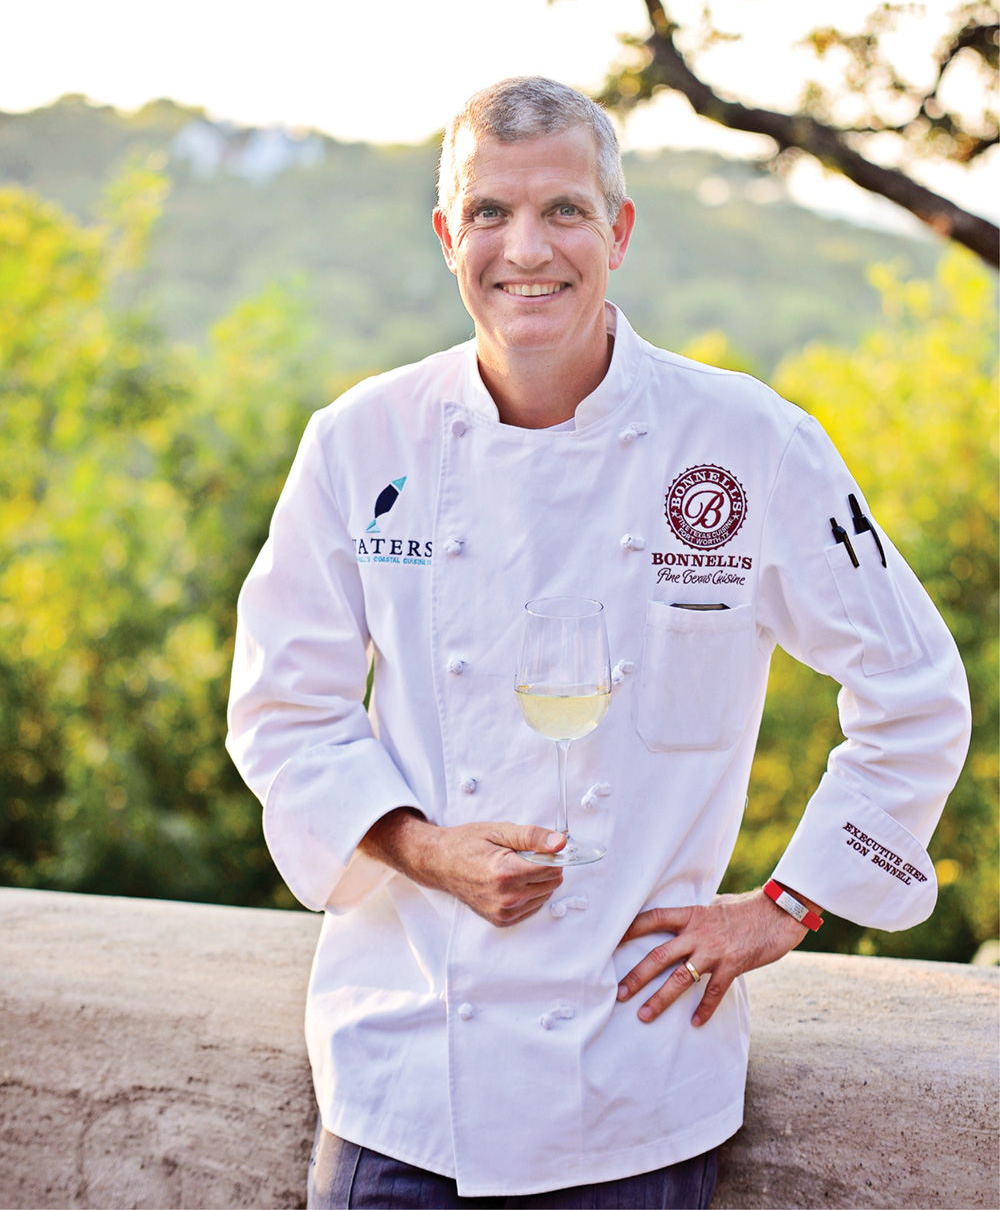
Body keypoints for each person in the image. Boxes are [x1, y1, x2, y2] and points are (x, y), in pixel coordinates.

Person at [226, 77, 971, 1209]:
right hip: (405, 1077)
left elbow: (913, 686)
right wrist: (426, 849)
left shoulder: (747, 442)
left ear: (617, 231)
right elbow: (284, 708)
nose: (525, 249)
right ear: (446, 237)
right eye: (488, 213)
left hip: (639, 1090)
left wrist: (788, 904)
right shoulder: (359, 443)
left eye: (563, 210)